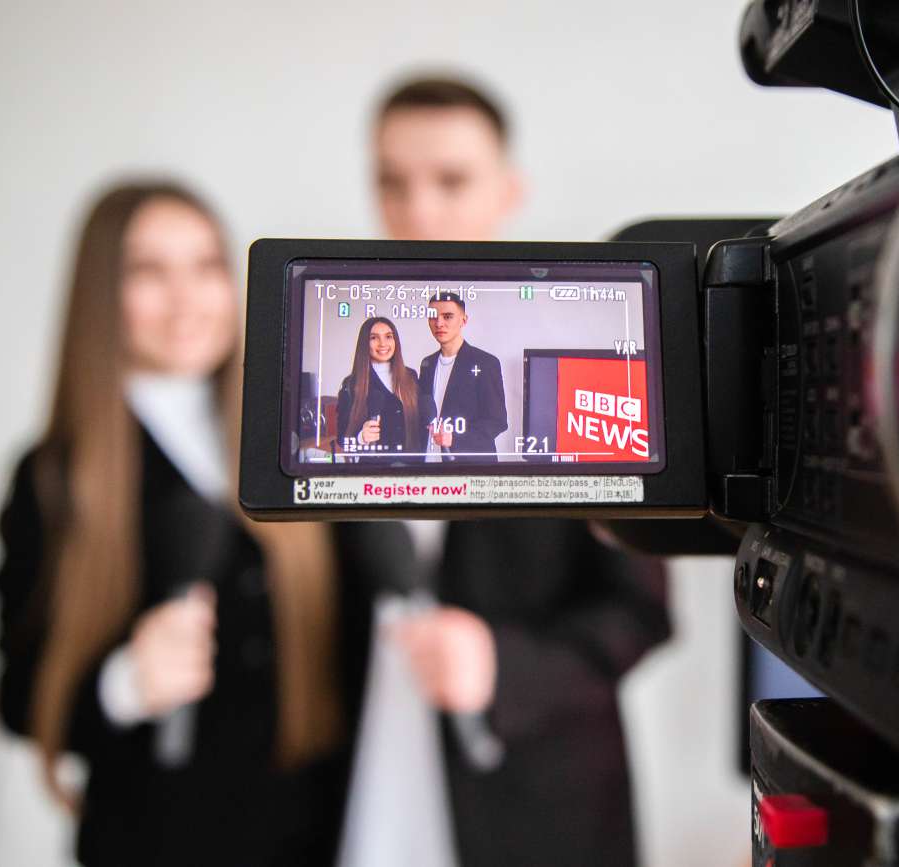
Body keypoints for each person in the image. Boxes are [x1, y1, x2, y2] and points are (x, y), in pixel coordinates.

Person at [0, 181, 392, 867]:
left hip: (312, 834)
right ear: (99, 293)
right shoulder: (54, 474)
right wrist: (123, 683)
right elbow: (20, 695)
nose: (187, 299)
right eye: (148, 271)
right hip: (150, 838)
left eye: (206, 267)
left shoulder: (301, 442)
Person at [339, 76, 670, 867]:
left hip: (535, 805)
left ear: (508, 189)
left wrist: (504, 665)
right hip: (363, 781)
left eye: (450, 180)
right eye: (393, 182)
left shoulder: (590, 357)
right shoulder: (347, 365)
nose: (418, 209)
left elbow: (640, 612)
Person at [418, 293, 507, 463]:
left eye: (448, 317)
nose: (439, 323)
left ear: (463, 320)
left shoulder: (486, 362)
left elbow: (497, 422)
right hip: (429, 466)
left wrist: (455, 438)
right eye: (433, 317)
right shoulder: (427, 364)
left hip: (469, 469)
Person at [335, 316, 424, 457]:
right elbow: (342, 439)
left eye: (388, 337)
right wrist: (361, 438)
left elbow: (420, 424)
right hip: (375, 469)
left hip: (411, 468)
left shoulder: (411, 376)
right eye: (374, 338)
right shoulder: (351, 384)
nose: (383, 343)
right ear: (365, 343)